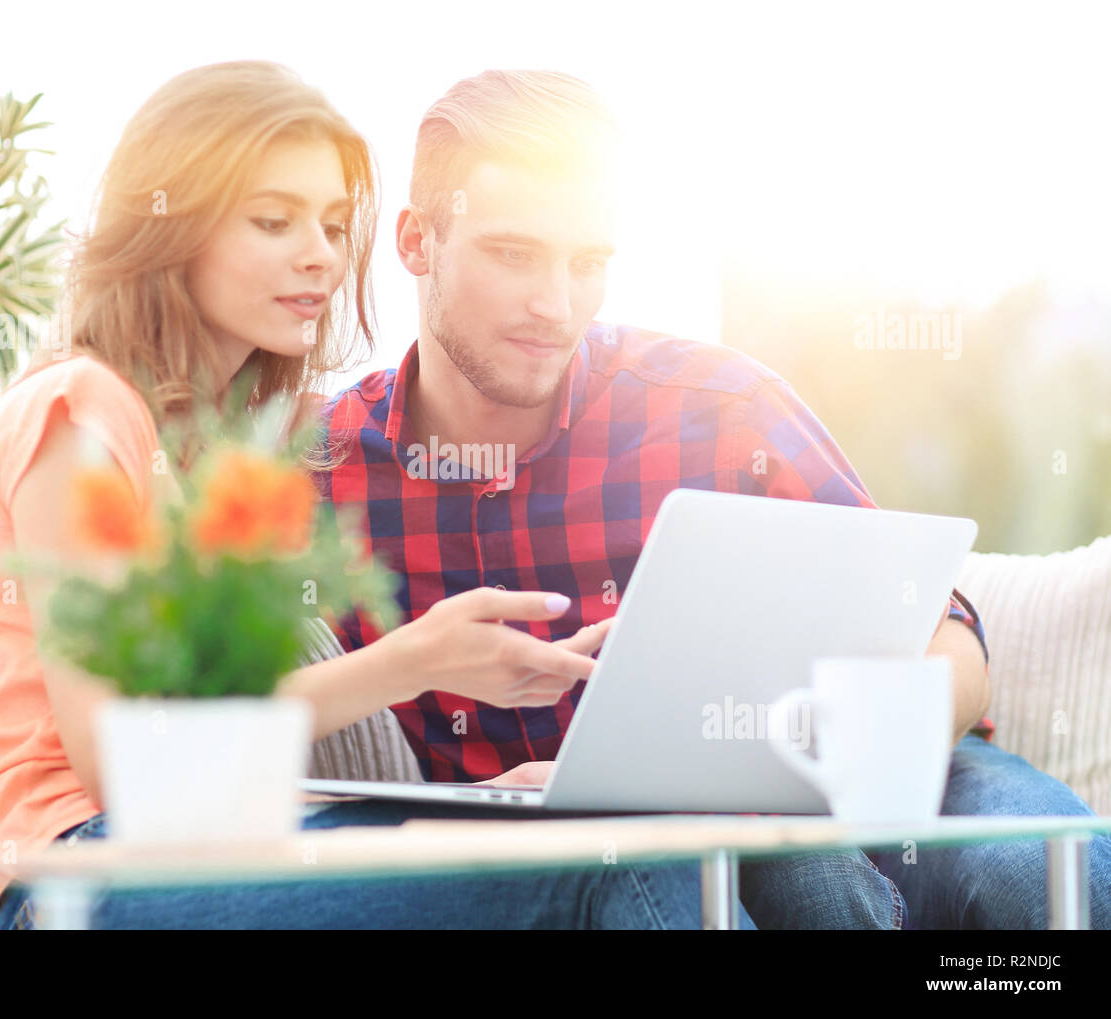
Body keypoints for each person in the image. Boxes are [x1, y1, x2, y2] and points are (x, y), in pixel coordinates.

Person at [0, 60, 746, 931]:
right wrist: (417, 660)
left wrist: (462, 809)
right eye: (274, 221)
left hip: (214, 841)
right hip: (68, 872)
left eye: (330, 223)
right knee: (613, 864)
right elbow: (118, 760)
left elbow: (216, 741)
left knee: (610, 826)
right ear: (170, 225)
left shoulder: (228, 457)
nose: (320, 255)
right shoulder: (82, 409)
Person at [314, 68, 1111, 929]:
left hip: (856, 787)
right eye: (513, 254)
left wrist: (858, 743)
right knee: (790, 891)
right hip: (585, 852)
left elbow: (943, 625)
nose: (556, 304)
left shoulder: (717, 408)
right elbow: (213, 717)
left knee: (1040, 876)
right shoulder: (320, 478)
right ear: (416, 241)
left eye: (588, 263)